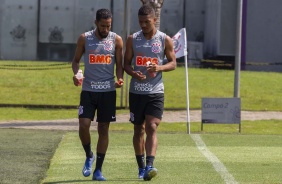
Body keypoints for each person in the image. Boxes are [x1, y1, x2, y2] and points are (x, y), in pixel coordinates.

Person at [123, 5, 177, 181]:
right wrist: (133, 73)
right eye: (140, 22)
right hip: (136, 92)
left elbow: (173, 63)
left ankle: (150, 165)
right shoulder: (133, 39)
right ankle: (140, 168)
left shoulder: (164, 39)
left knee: (152, 126)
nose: (143, 25)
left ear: (154, 20)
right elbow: (126, 64)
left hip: (155, 91)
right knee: (138, 129)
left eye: (147, 21)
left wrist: (159, 67)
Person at [72, 8, 123, 181]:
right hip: (88, 90)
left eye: (108, 26)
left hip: (107, 92)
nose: (105, 29)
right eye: (102, 26)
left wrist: (121, 78)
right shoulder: (84, 38)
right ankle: (89, 155)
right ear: (96, 23)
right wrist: (77, 73)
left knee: (103, 129)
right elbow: (76, 61)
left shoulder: (116, 40)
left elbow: (120, 65)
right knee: (84, 125)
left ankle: (98, 170)